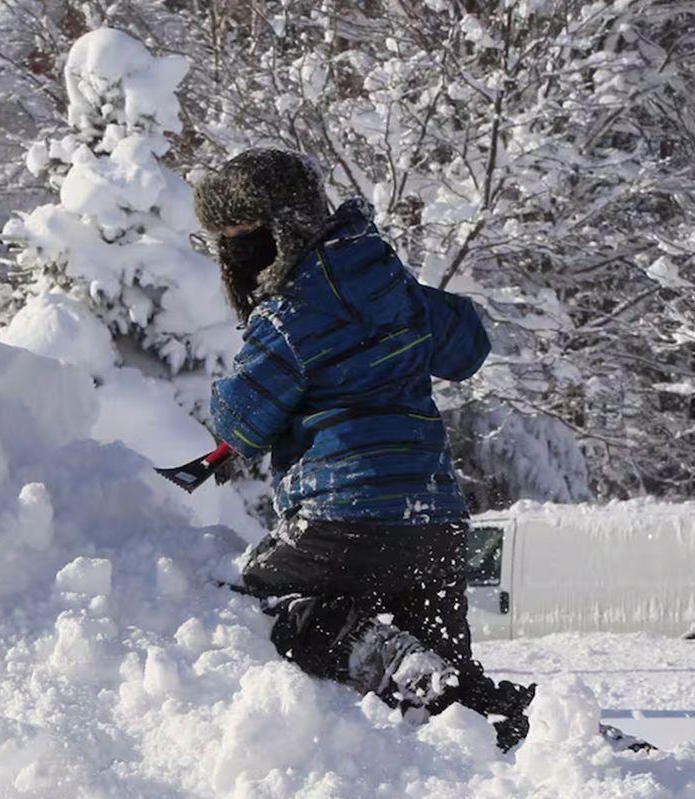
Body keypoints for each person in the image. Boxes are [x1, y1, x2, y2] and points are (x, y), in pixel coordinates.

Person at [193, 148, 535, 752]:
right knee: (447, 691)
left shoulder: (290, 315)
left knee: (247, 609)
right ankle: (522, 734)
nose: (237, 260)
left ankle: (378, 653)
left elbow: (239, 423)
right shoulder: (390, 284)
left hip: (341, 522)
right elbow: (469, 346)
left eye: (244, 240)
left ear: (284, 228)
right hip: (433, 524)